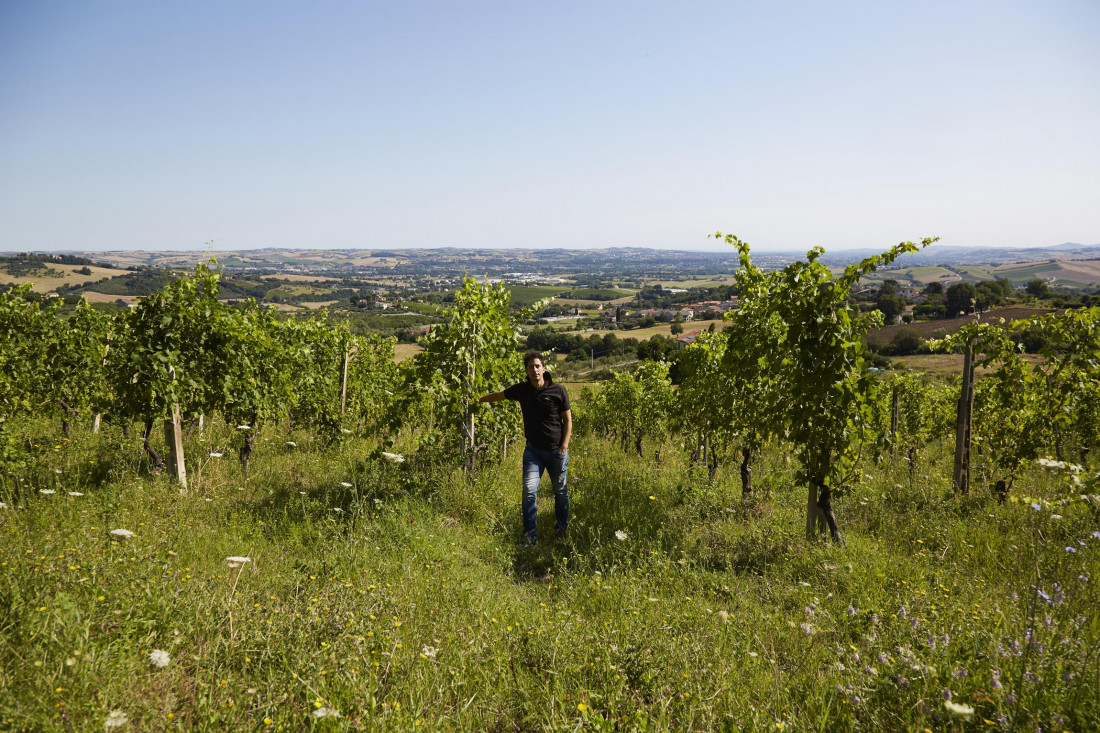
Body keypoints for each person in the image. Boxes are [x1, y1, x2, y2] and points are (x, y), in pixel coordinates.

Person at [478, 351, 571, 545]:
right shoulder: (522, 390)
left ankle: (562, 531)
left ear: (543, 368)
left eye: (538, 366)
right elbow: (500, 395)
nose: (535, 370)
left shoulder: (558, 390)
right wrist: (478, 400)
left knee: (560, 493)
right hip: (533, 451)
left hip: (556, 451)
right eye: (531, 367)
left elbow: (568, 420)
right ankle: (530, 535)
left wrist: (564, 446)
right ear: (526, 371)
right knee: (529, 492)